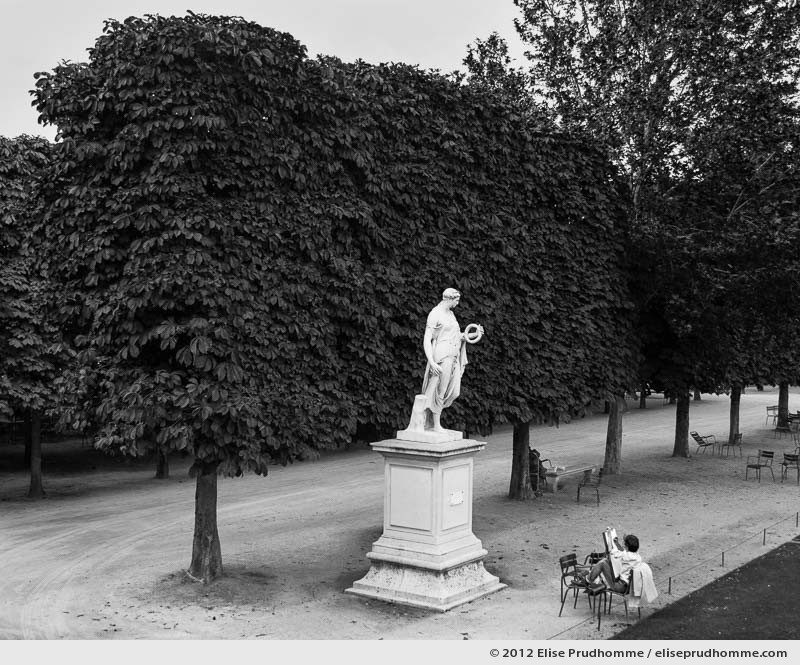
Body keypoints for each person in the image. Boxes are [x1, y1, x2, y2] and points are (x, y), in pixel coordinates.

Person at [420, 288, 482, 432]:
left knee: (454, 392)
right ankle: (435, 425)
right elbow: (427, 338)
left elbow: (459, 336)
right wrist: (432, 361)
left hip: (454, 355)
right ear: (449, 299)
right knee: (440, 390)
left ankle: (434, 421)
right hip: (442, 355)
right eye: (456, 300)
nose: (457, 303)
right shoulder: (435, 313)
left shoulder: (451, 314)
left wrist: (474, 334)